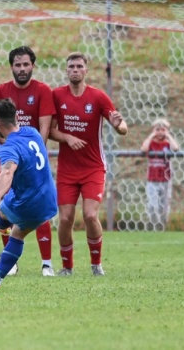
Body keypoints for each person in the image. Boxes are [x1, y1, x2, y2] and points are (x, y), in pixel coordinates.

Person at [50, 52, 128, 276]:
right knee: (65, 218)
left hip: (93, 167)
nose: (75, 70)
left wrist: (117, 125)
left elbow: (122, 127)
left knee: (90, 215)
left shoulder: (98, 97)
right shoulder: (57, 95)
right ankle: (67, 267)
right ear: (66, 71)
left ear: (86, 70)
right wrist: (67, 137)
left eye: (79, 66)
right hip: (67, 170)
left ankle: (96, 264)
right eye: (71, 66)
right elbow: (50, 130)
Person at [0, 46, 57, 276]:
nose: (22, 69)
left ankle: (47, 263)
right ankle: (12, 264)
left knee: (31, 209)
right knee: (10, 208)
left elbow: (45, 129)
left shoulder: (43, 90)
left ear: (33, 65)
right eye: (17, 65)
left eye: (25, 64)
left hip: (30, 159)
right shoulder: (1, 90)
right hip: (10, 155)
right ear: (11, 66)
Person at [0, 98, 58, 290]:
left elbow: (7, 171)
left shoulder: (8, 148)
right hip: (49, 201)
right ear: (17, 117)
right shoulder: (32, 132)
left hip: (25, 205)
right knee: (17, 234)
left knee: (5, 215)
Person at [140, 118, 180, 231]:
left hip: (165, 179)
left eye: (163, 129)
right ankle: (153, 226)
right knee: (152, 206)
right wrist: (151, 135)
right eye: (158, 129)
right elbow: (144, 149)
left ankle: (163, 227)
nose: (160, 132)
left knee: (164, 206)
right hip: (152, 179)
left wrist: (168, 135)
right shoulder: (151, 143)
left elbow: (176, 148)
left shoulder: (168, 144)